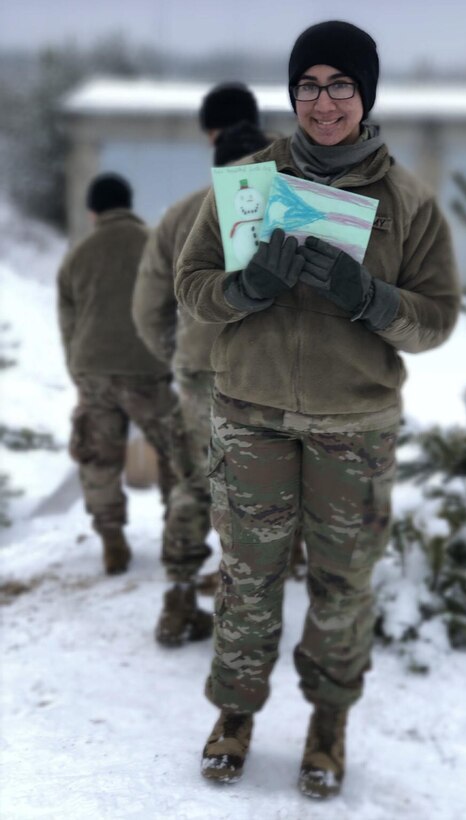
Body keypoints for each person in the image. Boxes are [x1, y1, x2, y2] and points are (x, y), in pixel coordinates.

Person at [175, 21, 460, 798]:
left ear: (365, 95)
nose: (322, 101)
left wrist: (370, 299)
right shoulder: (247, 185)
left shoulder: (406, 202)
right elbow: (190, 289)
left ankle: (328, 724)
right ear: (291, 93)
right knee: (246, 576)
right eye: (308, 85)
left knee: (343, 583)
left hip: (352, 428)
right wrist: (245, 289)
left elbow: (435, 318)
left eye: (340, 85)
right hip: (251, 414)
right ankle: (234, 715)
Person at [132, 84, 270, 648]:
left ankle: (179, 599)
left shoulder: (182, 213)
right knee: (268, 486)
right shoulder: (292, 201)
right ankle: (252, 604)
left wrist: (180, 353)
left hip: (199, 368)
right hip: (271, 371)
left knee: (193, 482)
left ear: (213, 137)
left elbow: (147, 309)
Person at [57, 173, 177, 575]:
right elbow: (176, 305)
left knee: (98, 457)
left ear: (93, 211)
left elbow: (68, 319)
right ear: (128, 203)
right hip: (146, 367)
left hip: (94, 368)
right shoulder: (155, 242)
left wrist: (79, 369)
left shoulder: (78, 253)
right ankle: (177, 534)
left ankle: (112, 541)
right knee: (173, 452)